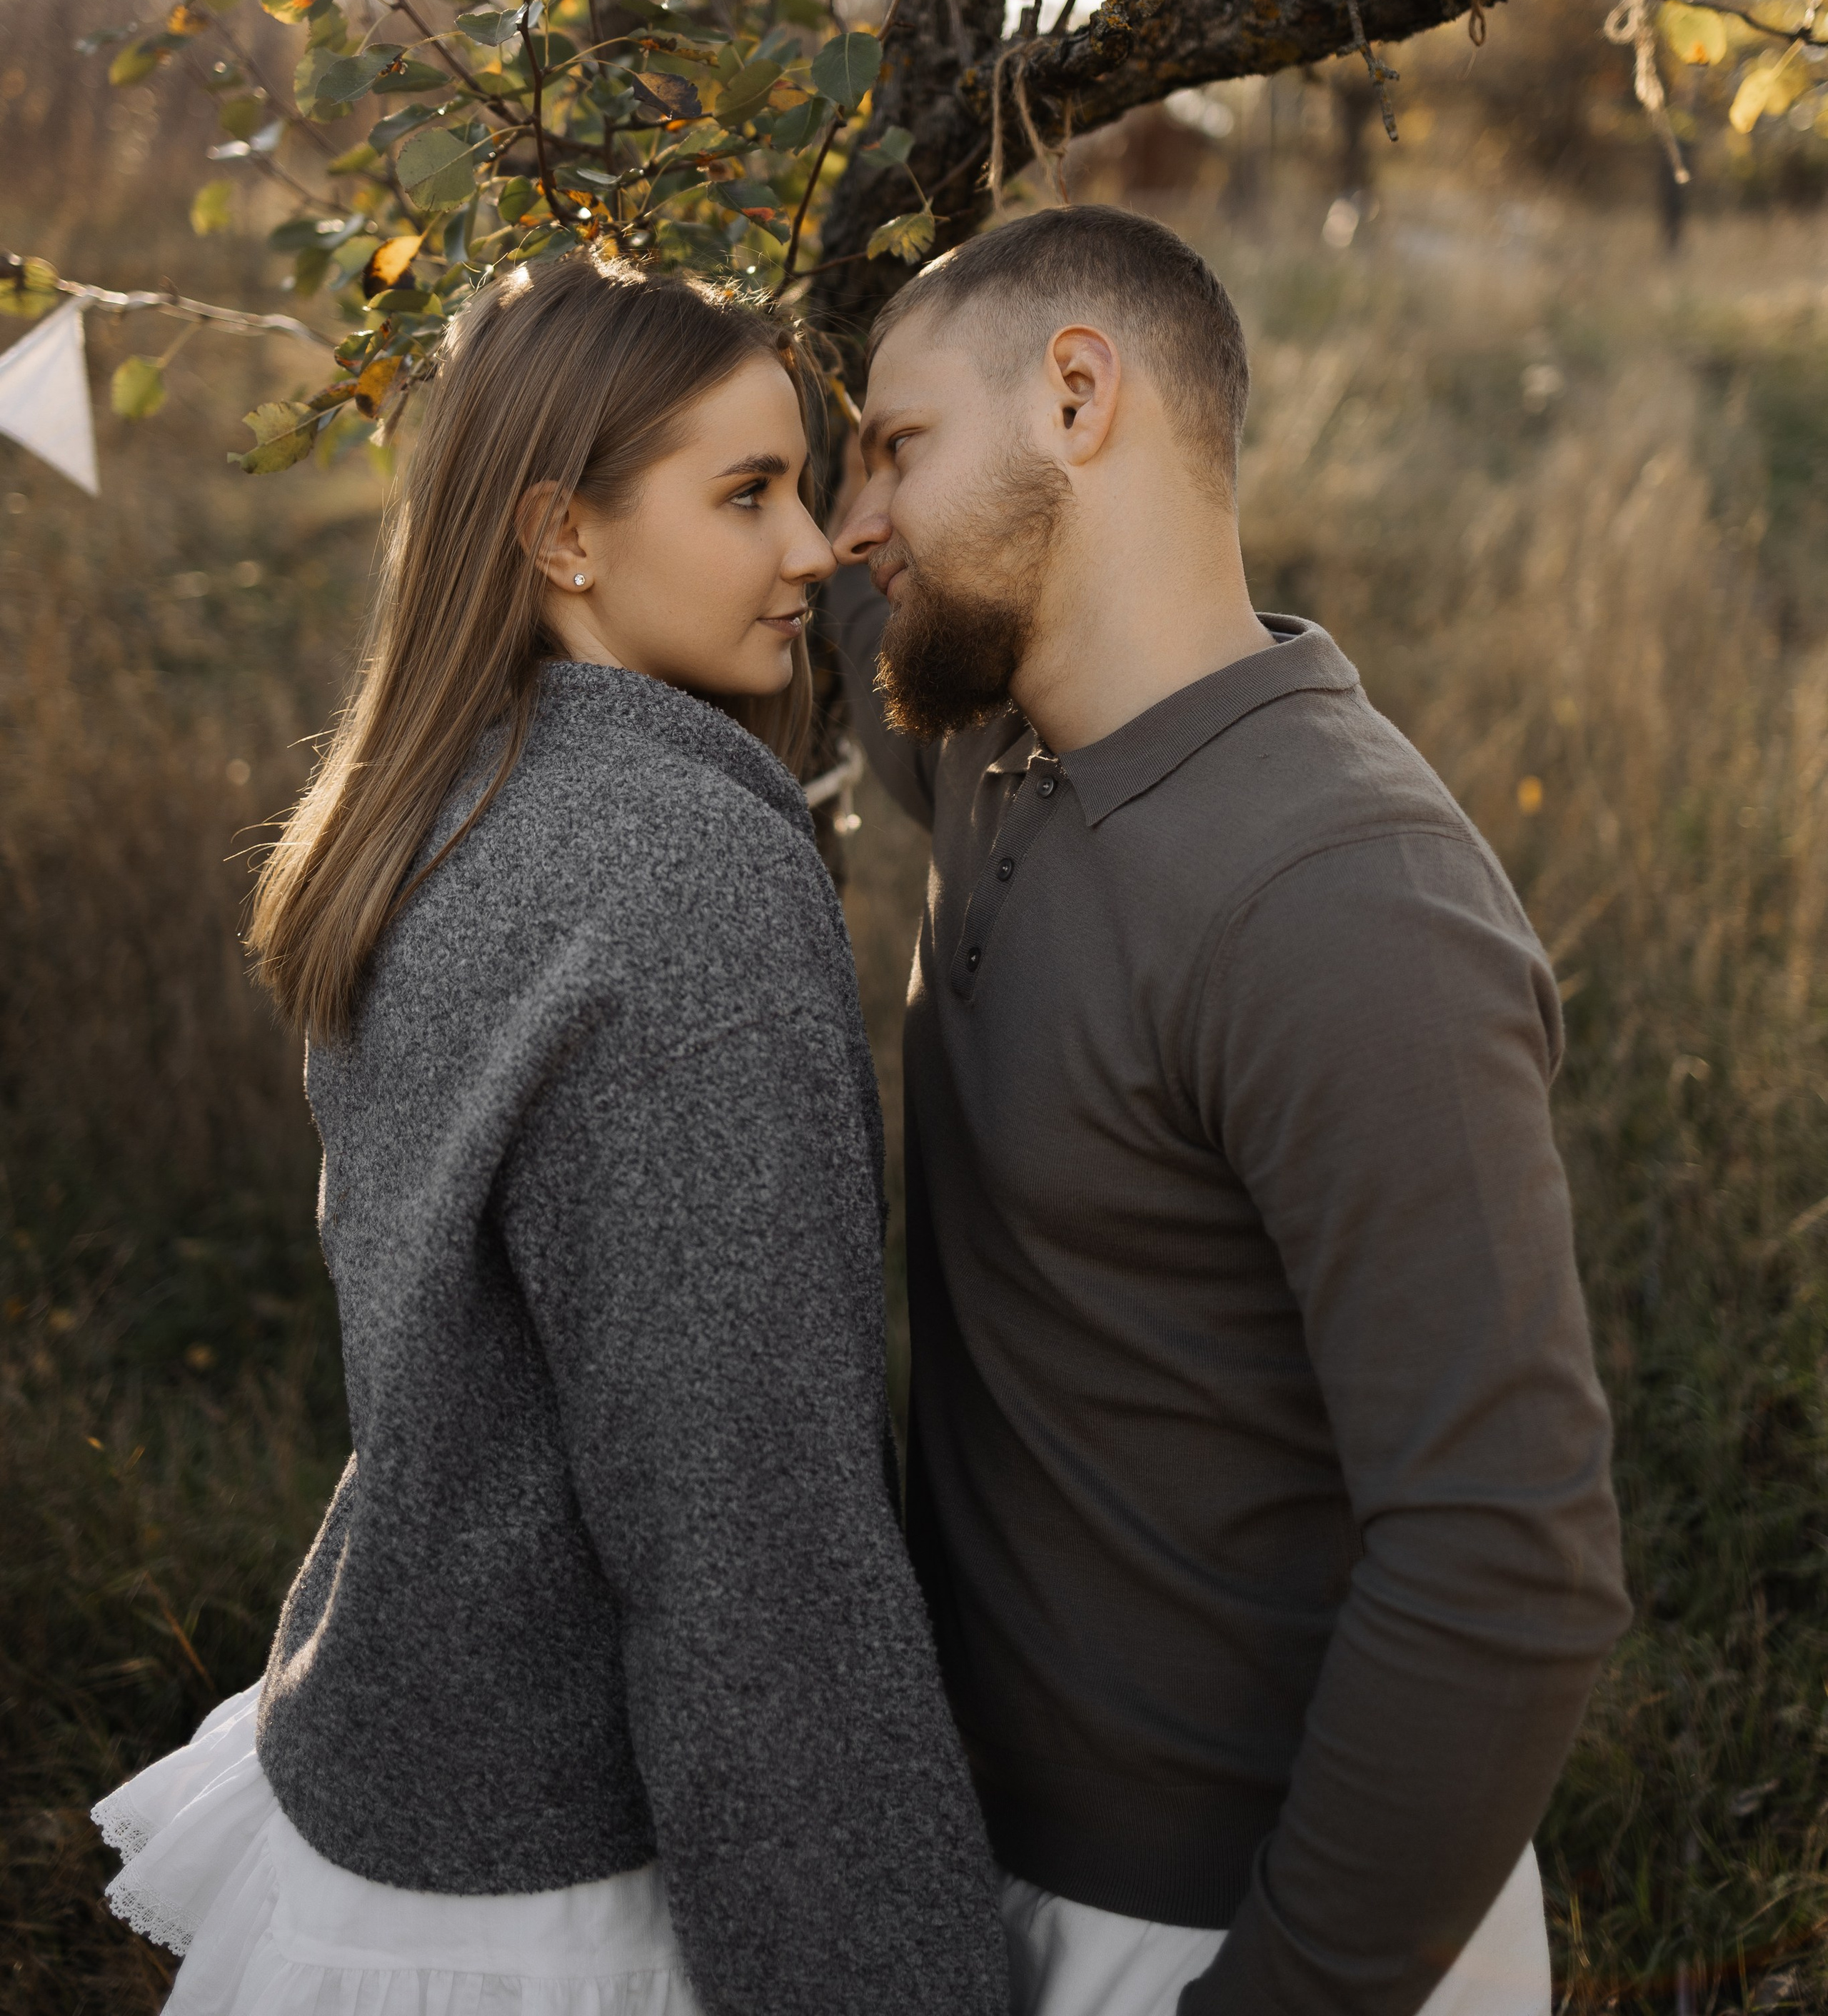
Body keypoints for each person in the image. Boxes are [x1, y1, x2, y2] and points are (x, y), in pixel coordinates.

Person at [92, 251, 1010, 2016]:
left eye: (805, 490)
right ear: (561, 535)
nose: (816, 553)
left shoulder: (432, 802)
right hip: (553, 1888)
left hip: (384, 1762)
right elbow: (751, 1541)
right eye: (745, 495)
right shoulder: (682, 878)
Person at [825, 202, 1632, 2016]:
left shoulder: (1348, 904)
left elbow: (1507, 1559)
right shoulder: (988, 735)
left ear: (1078, 395)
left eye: (894, 447)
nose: (848, 519)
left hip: (1250, 1931)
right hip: (985, 1870)